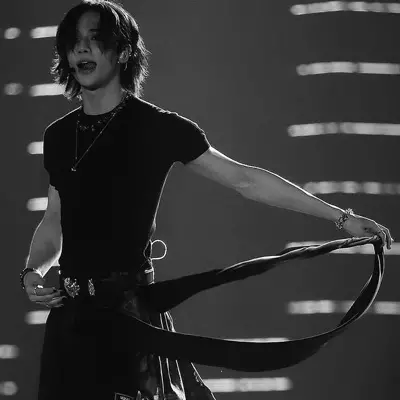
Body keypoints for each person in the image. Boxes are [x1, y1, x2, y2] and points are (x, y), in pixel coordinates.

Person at [19, 1, 393, 399]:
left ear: (124, 51)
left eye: (95, 39)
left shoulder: (158, 127)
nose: (81, 49)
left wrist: (341, 218)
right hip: (69, 326)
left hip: (130, 321)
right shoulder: (58, 136)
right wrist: (31, 271)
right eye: (74, 41)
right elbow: (54, 220)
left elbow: (246, 180)